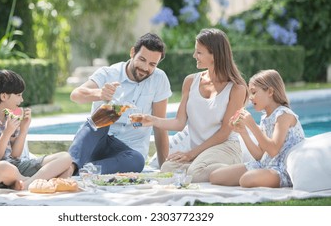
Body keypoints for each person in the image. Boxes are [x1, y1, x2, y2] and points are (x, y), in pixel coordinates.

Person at [130, 28, 248, 182]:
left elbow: (225, 132)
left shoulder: (236, 88)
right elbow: (179, 122)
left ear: (214, 55)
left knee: (195, 171)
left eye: (199, 52)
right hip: (200, 153)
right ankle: (214, 172)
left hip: (225, 147)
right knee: (167, 167)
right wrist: (151, 120)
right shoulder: (191, 81)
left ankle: (244, 169)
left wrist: (191, 154)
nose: (194, 56)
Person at [68, 32, 172, 175]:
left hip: (126, 154)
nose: (145, 68)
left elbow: (160, 127)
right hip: (99, 143)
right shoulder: (108, 73)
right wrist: (99, 93)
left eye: (152, 64)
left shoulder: (159, 79)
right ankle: (70, 167)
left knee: (137, 161)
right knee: (100, 120)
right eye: (142, 59)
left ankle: (87, 170)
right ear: (132, 52)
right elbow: (76, 95)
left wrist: (164, 170)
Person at [0, 70, 74, 190]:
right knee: (3, 168)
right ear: (3, 96)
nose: (22, 100)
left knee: (65, 158)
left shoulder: (9, 117)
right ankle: (35, 182)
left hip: (14, 165)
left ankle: (25, 183)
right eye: (18, 95)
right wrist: (7, 132)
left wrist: (24, 129)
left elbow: (15, 155)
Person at [209, 69, 305, 188]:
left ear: (270, 92)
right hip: (265, 165)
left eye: (254, 92)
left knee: (246, 179)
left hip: (282, 170)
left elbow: (273, 150)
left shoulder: (284, 115)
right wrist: (243, 132)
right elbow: (260, 155)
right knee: (215, 176)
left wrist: (252, 125)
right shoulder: (265, 117)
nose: (250, 98)